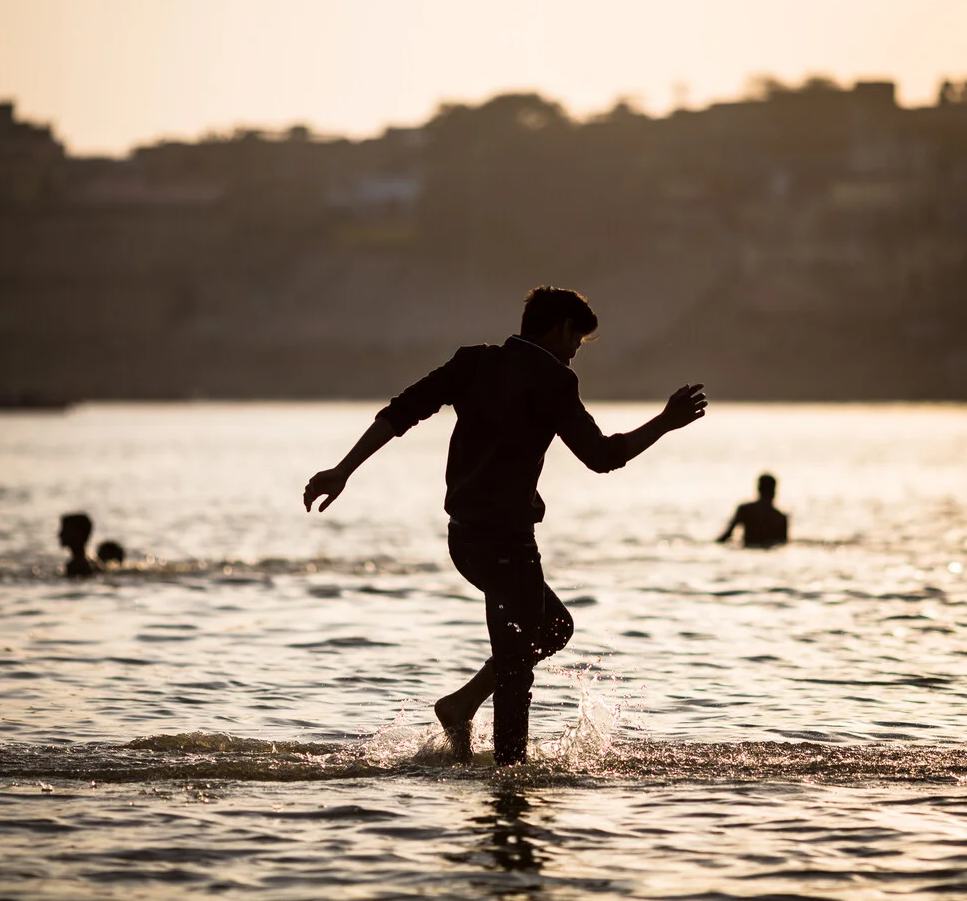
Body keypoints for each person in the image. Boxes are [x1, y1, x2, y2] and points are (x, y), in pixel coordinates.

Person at [304, 286, 707, 766]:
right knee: (519, 667)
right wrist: (664, 423)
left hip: (466, 539)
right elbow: (602, 457)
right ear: (561, 329)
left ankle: (463, 705)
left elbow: (400, 412)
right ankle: (509, 779)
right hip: (506, 542)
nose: (577, 350)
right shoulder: (553, 379)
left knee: (554, 627)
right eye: (578, 339)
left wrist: (343, 469)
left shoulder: (474, 362)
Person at [716, 473, 788, 548]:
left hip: (748, 551)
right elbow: (783, 542)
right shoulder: (780, 517)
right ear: (774, 491)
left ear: (758, 489)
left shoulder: (745, 510)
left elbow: (726, 536)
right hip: (771, 553)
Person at [58, 512, 102, 579]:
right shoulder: (92, 561)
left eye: (65, 530)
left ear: (78, 534)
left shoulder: (77, 566)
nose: (60, 534)